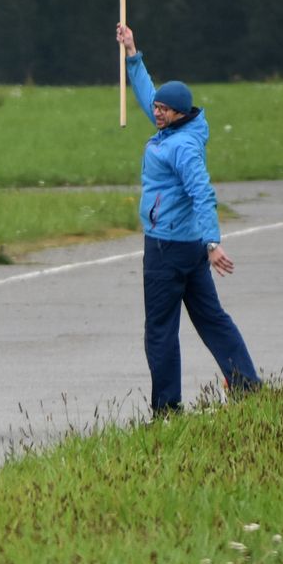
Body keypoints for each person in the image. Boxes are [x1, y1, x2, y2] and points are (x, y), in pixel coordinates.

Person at [115, 21, 260, 415]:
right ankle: (248, 386)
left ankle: (167, 409)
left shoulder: (182, 149)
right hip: (189, 248)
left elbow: (202, 192)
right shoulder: (180, 128)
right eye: (157, 108)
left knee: (160, 330)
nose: (156, 112)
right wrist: (132, 53)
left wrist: (214, 243)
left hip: (168, 249)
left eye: (163, 110)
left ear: (178, 113)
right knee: (212, 319)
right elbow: (148, 95)